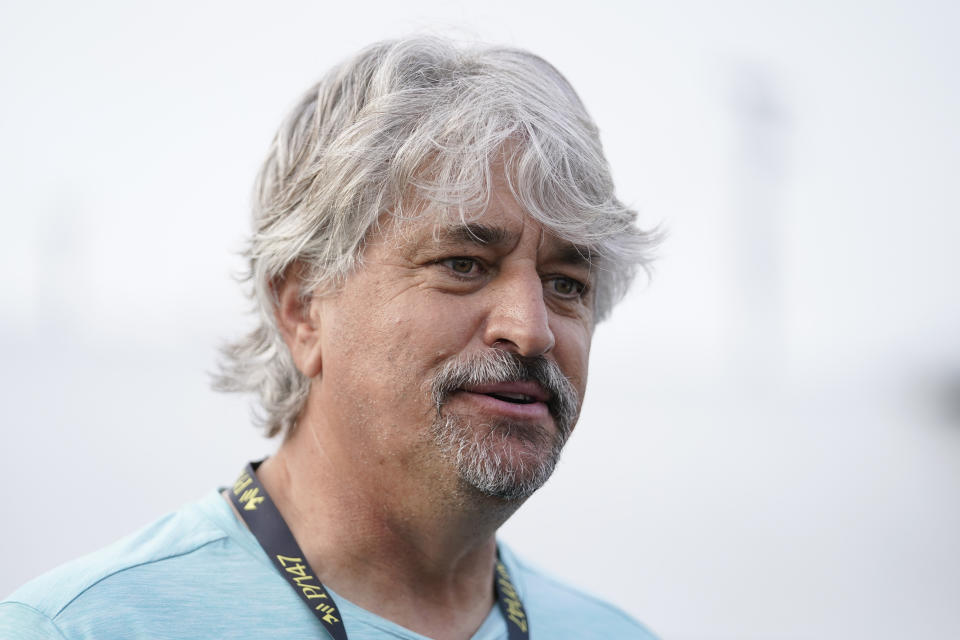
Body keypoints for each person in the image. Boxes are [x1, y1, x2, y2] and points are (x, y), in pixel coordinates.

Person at [0, 36, 658, 639]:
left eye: (566, 282)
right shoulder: (83, 628)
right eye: (464, 265)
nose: (532, 328)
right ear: (302, 310)